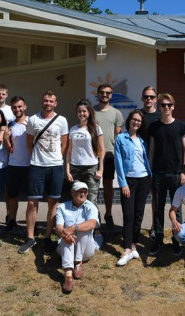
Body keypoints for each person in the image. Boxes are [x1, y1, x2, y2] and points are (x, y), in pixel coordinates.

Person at [21, 91, 69, 254]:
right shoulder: (33, 120)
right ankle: (30, 237)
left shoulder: (62, 120)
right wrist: (38, 157)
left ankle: (48, 237)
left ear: (56, 103)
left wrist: (55, 158)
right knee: (31, 202)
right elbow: (29, 144)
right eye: (46, 100)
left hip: (55, 166)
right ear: (42, 102)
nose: (48, 103)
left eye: (51, 101)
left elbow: (64, 144)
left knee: (53, 202)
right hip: (37, 165)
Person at [148, 92, 185, 256]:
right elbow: (151, 150)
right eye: (163, 105)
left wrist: (184, 171)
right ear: (159, 107)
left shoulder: (181, 125)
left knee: (176, 209)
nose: (166, 108)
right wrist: (150, 172)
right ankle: (158, 239)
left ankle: (176, 239)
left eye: (169, 105)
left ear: (173, 106)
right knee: (158, 208)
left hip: (176, 174)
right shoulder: (154, 127)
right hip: (158, 173)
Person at [114, 110, 152, 266]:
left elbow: (145, 161)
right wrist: (123, 183)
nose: (136, 122)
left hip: (143, 180)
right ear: (129, 121)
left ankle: (134, 245)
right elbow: (118, 162)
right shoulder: (121, 138)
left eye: (139, 121)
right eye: (134, 120)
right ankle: (127, 250)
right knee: (128, 215)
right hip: (129, 181)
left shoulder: (142, 140)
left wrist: (149, 180)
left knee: (138, 214)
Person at [55, 181, 100, 294]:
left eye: (85, 192)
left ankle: (78, 263)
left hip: (85, 251)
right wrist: (65, 233)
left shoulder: (91, 207)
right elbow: (58, 228)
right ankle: (68, 275)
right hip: (66, 248)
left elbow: (92, 224)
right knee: (66, 234)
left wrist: (73, 227)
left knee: (84, 228)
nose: (83, 194)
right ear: (72, 192)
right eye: (80, 191)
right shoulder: (62, 207)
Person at [93, 83, 124, 231]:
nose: (105, 95)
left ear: (111, 95)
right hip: (92, 154)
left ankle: (109, 214)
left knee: (107, 185)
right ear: (97, 94)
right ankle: (93, 214)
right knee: (92, 186)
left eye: (108, 93)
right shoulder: (91, 112)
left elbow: (117, 134)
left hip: (110, 154)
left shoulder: (116, 113)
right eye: (102, 92)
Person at [65, 99, 105, 208]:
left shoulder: (96, 128)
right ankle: (78, 224)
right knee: (77, 200)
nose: (81, 114)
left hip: (91, 168)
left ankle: (93, 224)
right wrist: (68, 170)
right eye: (79, 111)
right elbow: (69, 152)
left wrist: (100, 170)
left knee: (91, 201)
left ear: (89, 112)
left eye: (84, 111)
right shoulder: (73, 129)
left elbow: (102, 150)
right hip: (76, 168)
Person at [2, 96, 30, 234]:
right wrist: (5, 139)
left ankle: (31, 223)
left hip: (30, 165)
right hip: (13, 165)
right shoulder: (10, 125)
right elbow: (8, 148)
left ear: (25, 107)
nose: (17, 109)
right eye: (14, 107)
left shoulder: (31, 122)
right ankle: (12, 220)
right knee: (12, 195)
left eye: (19, 106)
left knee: (32, 198)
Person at [139, 85, 160, 239]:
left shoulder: (160, 116)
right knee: (139, 197)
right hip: (139, 161)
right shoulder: (137, 115)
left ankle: (154, 227)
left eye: (152, 97)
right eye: (146, 97)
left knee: (155, 197)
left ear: (156, 99)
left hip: (157, 161)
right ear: (142, 98)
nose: (149, 99)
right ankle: (136, 227)